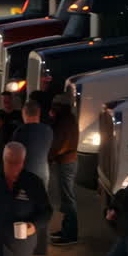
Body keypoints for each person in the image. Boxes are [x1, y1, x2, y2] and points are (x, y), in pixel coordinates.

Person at [11, 99, 54, 255]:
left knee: (24, 208)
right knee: (43, 209)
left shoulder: (20, 132)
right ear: (39, 114)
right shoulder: (48, 131)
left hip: (27, 174)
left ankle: (24, 241)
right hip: (43, 172)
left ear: (24, 114)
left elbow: (15, 152)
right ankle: (42, 246)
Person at [48, 94, 81, 246]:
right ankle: (67, 230)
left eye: (55, 105)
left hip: (66, 163)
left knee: (68, 199)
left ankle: (70, 234)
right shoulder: (67, 119)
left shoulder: (65, 122)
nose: (53, 108)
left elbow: (58, 143)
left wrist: (49, 157)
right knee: (67, 198)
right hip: (67, 162)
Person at [0, 91, 23, 163]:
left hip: (16, 149)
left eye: (7, 99)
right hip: (0, 150)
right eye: (4, 100)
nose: (6, 102)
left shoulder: (19, 115)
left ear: (11, 100)